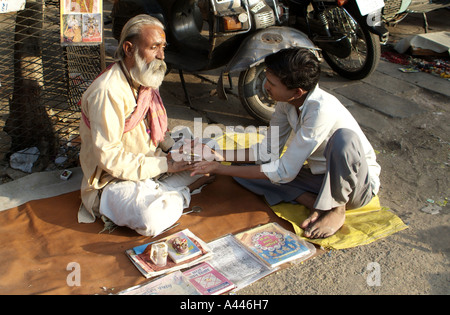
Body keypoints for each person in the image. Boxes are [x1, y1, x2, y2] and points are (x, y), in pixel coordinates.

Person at [191, 47, 381, 239]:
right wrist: (218, 155)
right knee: (245, 166)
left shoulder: (322, 109)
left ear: (297, 92)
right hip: (318, 178)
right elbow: (268, 152)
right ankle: (313, 201)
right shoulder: (285, 102)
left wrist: (219, 169)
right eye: (267, 78)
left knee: (343, 140)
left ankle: (337, 209)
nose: (265, 86)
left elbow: (284, 172)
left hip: (354, 186)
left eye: (272, 83)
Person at [78, 14, 210, 236]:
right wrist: (167, 165)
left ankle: (163, 191)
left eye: (163, 47)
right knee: (150, 219)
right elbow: (110, 158)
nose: (161, 56)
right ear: (129, 49)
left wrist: (175, 151)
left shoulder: (144, 74)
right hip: (114, 180)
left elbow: (157, 130)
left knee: (208, 154)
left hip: (154, 165)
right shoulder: (108, 92)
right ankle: (177, 193)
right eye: (154, 47)